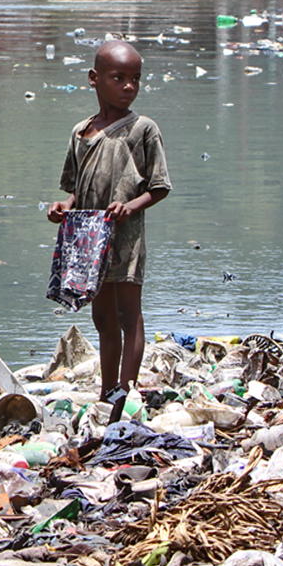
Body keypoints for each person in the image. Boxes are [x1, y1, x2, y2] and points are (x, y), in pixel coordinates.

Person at [47, 40, 171, 419]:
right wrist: (61, 208)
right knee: (102, 317)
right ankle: (107, 389)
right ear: (94, 79)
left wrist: (129, 207)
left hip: (125, 235)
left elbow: (159, 187)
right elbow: (74, 188)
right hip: (88, 239)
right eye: (118, 78)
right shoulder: (81, 132)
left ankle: (127, 391)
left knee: (127, 313)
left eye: (135, 79)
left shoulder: (142, 129)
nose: (128, 87)